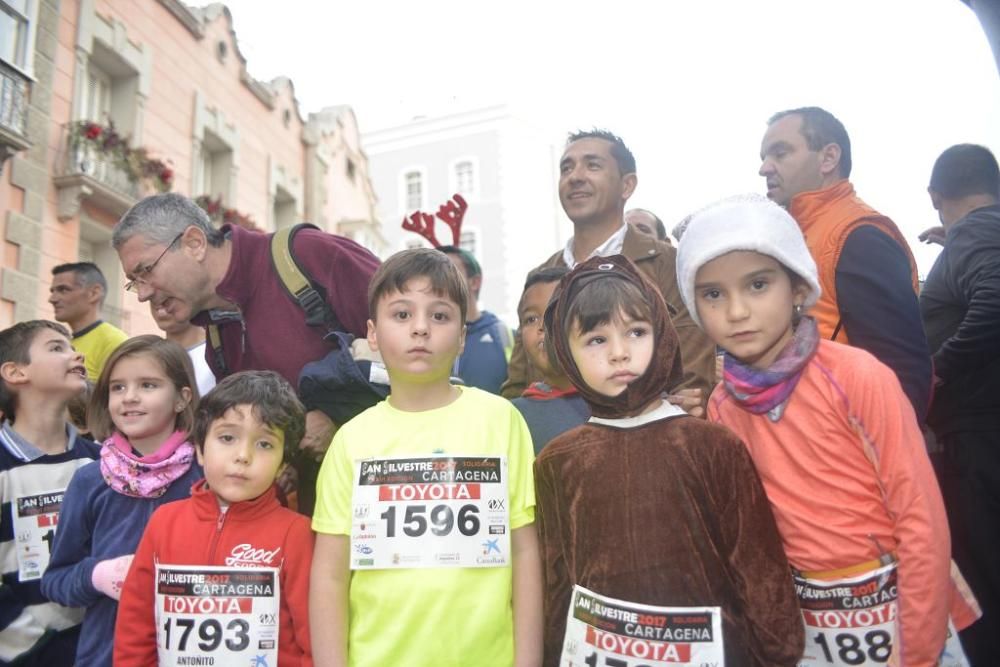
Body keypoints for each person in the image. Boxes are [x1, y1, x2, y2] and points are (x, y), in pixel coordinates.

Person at [678, 194, 978, 667]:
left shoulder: (858, 375)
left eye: (757, 284)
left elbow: (920, 519)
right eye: (713, 293)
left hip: (905, 616)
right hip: (807, 632)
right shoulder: (721, 409)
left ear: (798, 288)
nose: (736, 311)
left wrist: (918, 651)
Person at [536, 254, 803, 666]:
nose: (620, 353)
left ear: (661, 334)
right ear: (566, 354)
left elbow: (758, 571)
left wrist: (778, 653)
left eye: (636, 332)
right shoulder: (556, 462)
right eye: (595, 340)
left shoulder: (711, 445)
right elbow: (557, 586)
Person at [310, 248, 542, 666]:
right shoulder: (351, 442)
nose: (420, 328)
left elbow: (524, 553)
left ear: (462, 336)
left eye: (439, 316)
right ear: (373, 334)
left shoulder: (501, 421)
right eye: (401, 314)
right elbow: (329, 575)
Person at [112, 192, 380, 512]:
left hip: (396, 496)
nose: (142, 294)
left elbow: (425, 349)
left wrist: (337, 418)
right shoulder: (216, 332)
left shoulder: (308, 255)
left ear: (195, 243)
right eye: (133, 282)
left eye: (146, 271)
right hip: (318, 519)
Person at [501, 129, 716, 407]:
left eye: (592, 165)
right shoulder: (541, 276)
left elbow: (691, 379)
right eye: (566, 168)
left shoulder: (669, 264)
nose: (575, 177)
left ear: (627, 186)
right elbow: (518, 384)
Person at [113, 370, 313, 666]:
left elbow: (311, 636)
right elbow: (135, 628)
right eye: (227, 437)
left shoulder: (296, 533)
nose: (243, 455)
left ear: (283, 465)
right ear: (200, 450)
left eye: (264, 444)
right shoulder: (164, 523)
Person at [758, 107, 932, 419]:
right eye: (763, 157)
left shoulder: (859, 236)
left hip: (845, 445)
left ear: (828, 158)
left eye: (780, 153)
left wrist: (874, 460)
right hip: (805, 436)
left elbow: (904, 372)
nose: (764, 168)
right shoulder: (795, 237)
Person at [40, 335, 202, 667]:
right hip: (106, 656)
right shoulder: (89, 480)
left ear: (182, 398)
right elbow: (55, 580)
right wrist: (97, 575)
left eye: (148, 385)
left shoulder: (207, 476)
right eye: (117, 387)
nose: (129, 397)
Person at [921, 143, 1000, 663]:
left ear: (935, 196)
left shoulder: (975, 231)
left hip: (976, 440)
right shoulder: (980, 230)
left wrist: (937, 373)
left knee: (984, 584)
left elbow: (995, 294)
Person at [0, 320, 100, 665]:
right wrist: (35, 643)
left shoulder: (103, 463)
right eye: (57, 348)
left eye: (72, 346)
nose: (77, 355)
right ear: (15, 372)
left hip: (99, 651)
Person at [510, 267, 589, 452]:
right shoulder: (512, 417)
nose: (542, 326)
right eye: (531, 319)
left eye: (554, 311)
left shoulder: (621, 405)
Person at [439, 245, 513, 394]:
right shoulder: (423, 334)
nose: (438, 280)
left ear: (474, 282)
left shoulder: (507, 336)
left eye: (448, 271)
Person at [49, 262, 128, 382]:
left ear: (94, 293)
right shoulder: (65, 342)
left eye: (63, 290)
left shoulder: (113, 342)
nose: (52, 299)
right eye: (52, 291)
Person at [149, 300, 216, 396]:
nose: (159, 299)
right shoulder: (147, 355)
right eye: (153, 297)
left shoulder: (221, 354)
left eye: (169, 293)